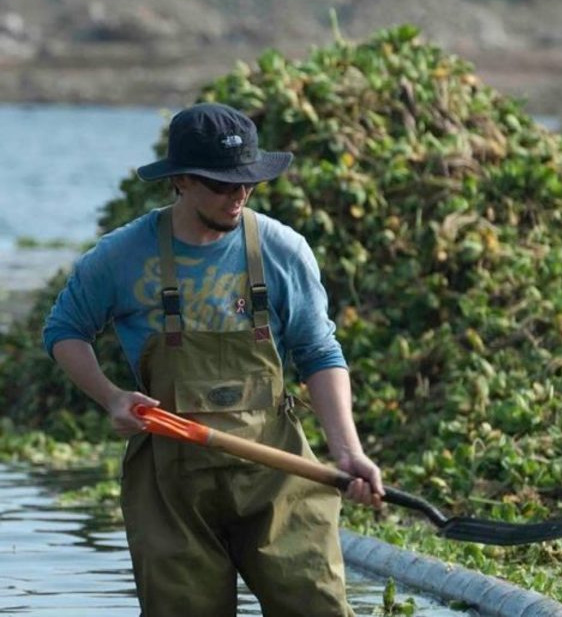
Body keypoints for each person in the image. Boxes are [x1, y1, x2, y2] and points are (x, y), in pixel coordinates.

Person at [43, 102, 383, 617]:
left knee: (318, 607)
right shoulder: (120, 256)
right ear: (180, 180)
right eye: (222, 184)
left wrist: (347, 450)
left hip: (276, 475)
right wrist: (111, 397)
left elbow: (319, 353)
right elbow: (65, 331)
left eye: (246, 182)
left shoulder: (281, 250)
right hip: (171, 485)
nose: (238, 195)